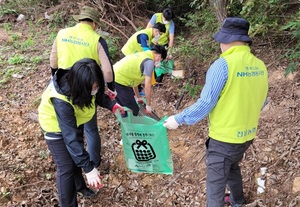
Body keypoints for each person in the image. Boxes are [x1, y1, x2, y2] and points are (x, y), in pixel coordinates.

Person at [163, 17, 268, 207]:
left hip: (224, 139)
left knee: (215, 185)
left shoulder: (223, 66)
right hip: (247, 136)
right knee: (233, 167)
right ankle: (238, 201)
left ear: (226, 40)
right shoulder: (260, 66)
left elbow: (206, 103)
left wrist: (178, 119)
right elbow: (262, 102)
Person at [38, 58, 124, 207]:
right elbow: (70, 138)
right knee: (66, 167)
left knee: (75, 156)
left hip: (74, 120)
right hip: (54, 126)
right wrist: (89, 168)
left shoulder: (87, 82)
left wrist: (112, 105)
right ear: (80, 87)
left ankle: (81, 187)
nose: (95, 89)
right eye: (93, 87)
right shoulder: (61, 100)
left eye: (97, 85)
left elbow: (97, 96)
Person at [49, 5, 117, 183]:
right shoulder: (96, 39)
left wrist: (55, 78)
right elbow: (108, 71)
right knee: (90, 128)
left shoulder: (62, 33)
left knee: (70, 129)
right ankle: (93, 163)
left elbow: (53, 60)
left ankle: (79, 166)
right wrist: (110, 88)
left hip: (64, 87)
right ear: (94, 23)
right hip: (88, 87)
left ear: (79, 20)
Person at [114, 45, 167, 116]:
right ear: (158, 56)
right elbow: (147, 86)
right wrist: (148, 105)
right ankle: (128, 124)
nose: (159, 61)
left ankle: (126, 121)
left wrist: (138, 96)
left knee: (124, 106)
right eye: (160, 59)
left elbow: (134, 79)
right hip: (118, 80)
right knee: (133, 110)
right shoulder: (149, 62)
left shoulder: (144, 54)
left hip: (116, 76)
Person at [146, 8, 175, 83]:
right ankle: (150, 79)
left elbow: (171, 39)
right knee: (151, 60)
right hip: (153, 42)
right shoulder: (156, 16)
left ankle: (159, 79)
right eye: (166, 20)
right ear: (162, 15)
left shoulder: (171, 23)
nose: (167, 22)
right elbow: (147, 29)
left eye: (168, 20)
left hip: (163, 44)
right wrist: (151, 40)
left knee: (161, 61)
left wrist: (169, 51)